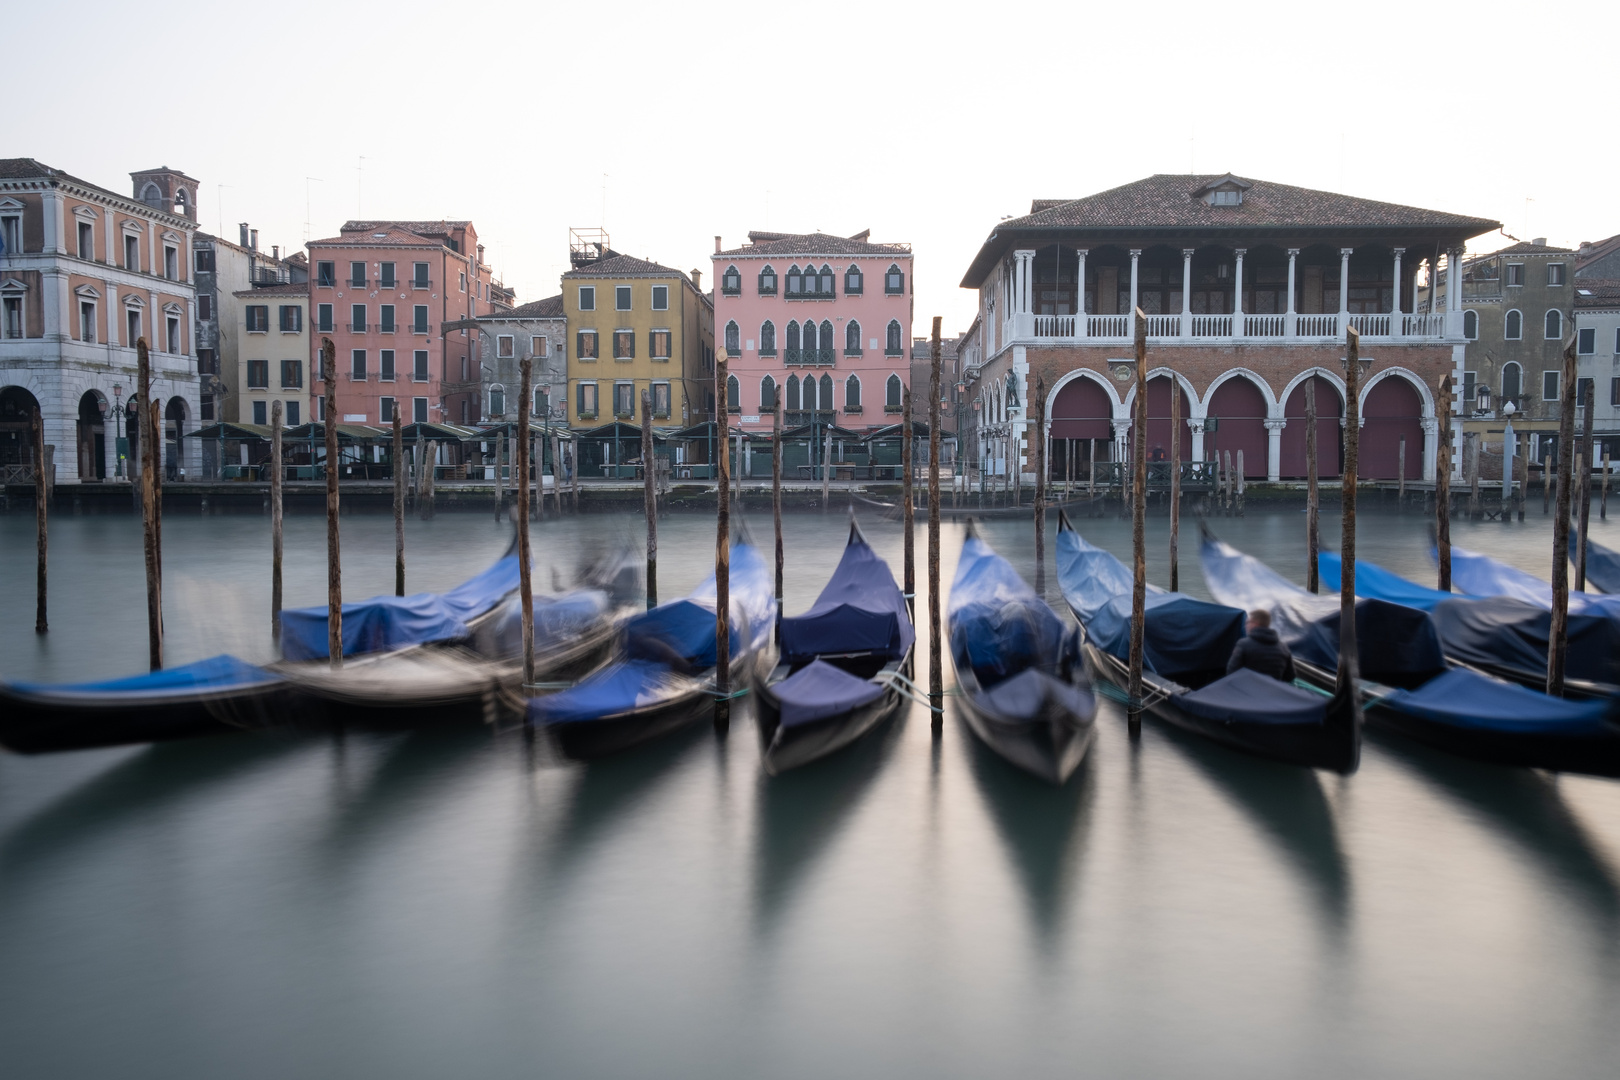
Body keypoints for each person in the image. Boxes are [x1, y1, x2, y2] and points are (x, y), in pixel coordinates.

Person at [1226, 608, 1295, 682]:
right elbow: (1290, 676)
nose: (1245, 626)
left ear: (1255, 623)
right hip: (1270, 692)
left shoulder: (1244, 644)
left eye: (1248, 622)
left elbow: (1231, 672)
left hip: (1245, 690)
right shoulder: (1284, 648)